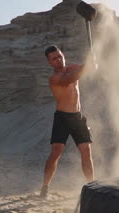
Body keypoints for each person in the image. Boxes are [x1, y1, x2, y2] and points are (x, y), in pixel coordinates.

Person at [40, 45, 94, 198]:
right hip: (62, 117)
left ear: (63, 55)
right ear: (50, 63)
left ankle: (92, 186)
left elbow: (85, 71)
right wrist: (88, 64)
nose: (58, 60)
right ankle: (45, 186)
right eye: (54, 59)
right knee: (56, 152)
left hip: (78, 116)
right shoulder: (54, 78)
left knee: (86, 151)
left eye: (59, 56)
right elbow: (69, 79)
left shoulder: (73, 68)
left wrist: (93, 64)